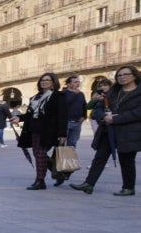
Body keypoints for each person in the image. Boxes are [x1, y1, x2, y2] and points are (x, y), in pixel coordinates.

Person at [70, 65, 141, 196]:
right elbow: (98, 109)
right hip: (108, 130)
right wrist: (103, 117)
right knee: (99, 157)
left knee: (127, 160)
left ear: (134, 75)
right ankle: (89, 183)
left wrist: (116, 119)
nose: (122, 77)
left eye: (126, 74)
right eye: (119, 75)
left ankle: (128, 187)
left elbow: (137, 113)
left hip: (128, 131)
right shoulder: (112, 92)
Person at [11, 72, 67, 190]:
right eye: (42, 80)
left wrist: (62, 133)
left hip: (48, 130)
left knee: (40, 154)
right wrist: (19, 118)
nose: (44, 82)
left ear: (53, 82)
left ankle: (40, 181)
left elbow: (62, 115)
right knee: (38, 154)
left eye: (47, 80)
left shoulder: (58, 96)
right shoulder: (35, 97)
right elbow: (30, 114)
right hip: (33, 129)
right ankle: (59, 173)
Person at [62, 75, 88, 148]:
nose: (78, 83)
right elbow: (65, 104)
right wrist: (74, 94)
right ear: (68, 84)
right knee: (61, 143)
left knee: (72, 143)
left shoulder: (81, 94)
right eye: (75, 82)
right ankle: (58, 159)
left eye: (78, 82)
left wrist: (84, 116)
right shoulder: (63, 93)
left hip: (77, 123)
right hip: (65, 123)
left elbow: (84, 106)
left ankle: (69, 159)